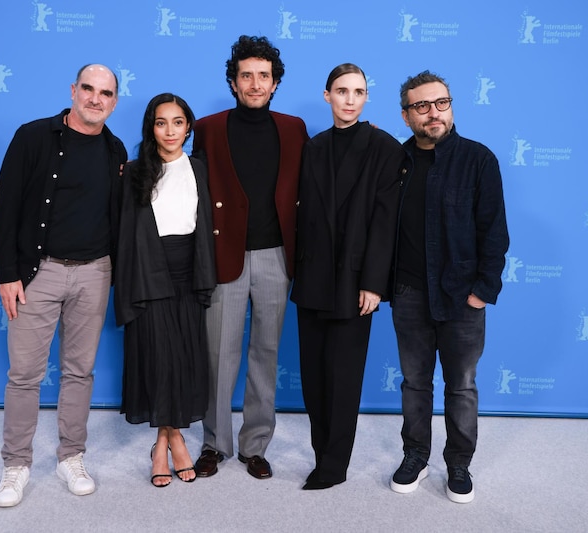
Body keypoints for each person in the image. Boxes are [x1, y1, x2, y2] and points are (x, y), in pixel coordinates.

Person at [0, 64, 127, 507]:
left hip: (95, 273)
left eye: (105, 93)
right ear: (73, 90)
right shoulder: (33, 137)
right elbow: (4, 207)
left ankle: (71, 455)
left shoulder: (115, 149)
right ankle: (16, 465)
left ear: (114, 101)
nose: (95, 99)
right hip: (38, 272)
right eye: (88, 89)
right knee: (25, 375)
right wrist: (6, 273)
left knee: (78, 372)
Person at [191, 35, 309, 479]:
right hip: (225, 255)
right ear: (234, 81)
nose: (256, 84)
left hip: (278, 256)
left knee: (266, 352)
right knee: (218, 355)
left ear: (275, 83)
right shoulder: (207, 128)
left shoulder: (294, 128)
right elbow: (182, 180)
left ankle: (255, 445)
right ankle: (214, 444)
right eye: (247, 76)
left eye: (264, 76)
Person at [388, 70, 509, 503]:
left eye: (441, 103)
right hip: (409, 295)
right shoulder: (394, 162)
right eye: (422, 106)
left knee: (461, 386)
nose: (433, 113)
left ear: (451, 106)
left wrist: (482, 291)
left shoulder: (479, 160)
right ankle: (415, 455)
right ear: (407, 116)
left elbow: (495, 233)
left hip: (462, 297)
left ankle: (459, 463)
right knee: (415, 383)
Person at [290, 63, 404, 490]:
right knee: (314, 374)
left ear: (367, 97)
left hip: (357, 282)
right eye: (341, 91)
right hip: (313, 276)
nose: (349, 99)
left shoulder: (386, 148)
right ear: (327, 96)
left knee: (343, 376)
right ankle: (323, 454)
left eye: (358, 92)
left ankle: (334, 466)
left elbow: (385, 222)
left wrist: (374, 283)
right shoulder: (313, 147)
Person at [113, 93, 216, 487]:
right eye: (161, 122)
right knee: (159, 357)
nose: (170, 130)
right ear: (150, 128)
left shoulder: (201, 169)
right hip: (148, 271)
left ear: (189, 127)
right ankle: (171, 442)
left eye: (178, 122)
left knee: (184, 357)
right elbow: (125, 231)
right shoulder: (135, 171)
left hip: (191, 272)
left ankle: (164, 440)